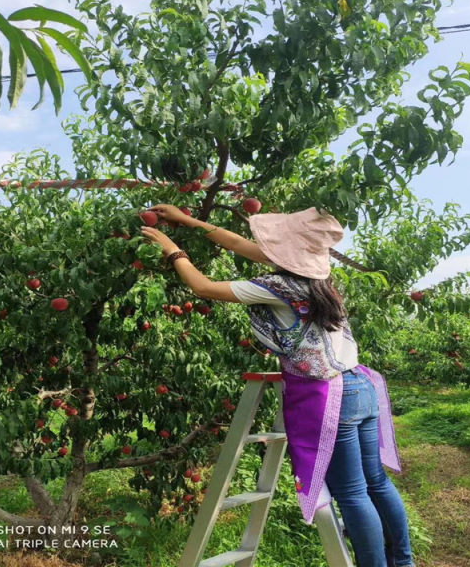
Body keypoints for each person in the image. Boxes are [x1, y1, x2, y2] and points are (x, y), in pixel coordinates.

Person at [140, 204, 415, 567]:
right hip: (360, 386)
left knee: (351, 493)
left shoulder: (276, 286)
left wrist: (171, 247)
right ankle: (404, 561)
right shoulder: (321, 280)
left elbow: (202, 286)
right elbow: (238, 242)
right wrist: (188, 220)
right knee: (376, 483)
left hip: (332, 396)